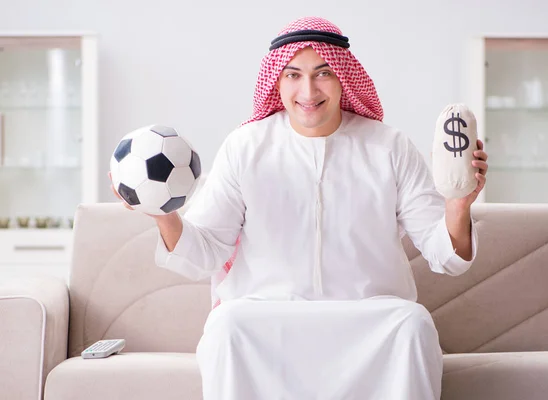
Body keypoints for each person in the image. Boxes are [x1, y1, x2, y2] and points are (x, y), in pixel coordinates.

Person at [113, 16, 488, 400]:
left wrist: (458, 205)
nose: (308, 90)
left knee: (412, 324)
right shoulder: (245, 147)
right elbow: (206, 251)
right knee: (227, 325)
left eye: (322, 73)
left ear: (343, 76)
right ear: (277, 81)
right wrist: (163, 215)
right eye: (293, 75)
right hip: (268, 321)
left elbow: (446, 256)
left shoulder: (390, 147)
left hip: (366, 322)